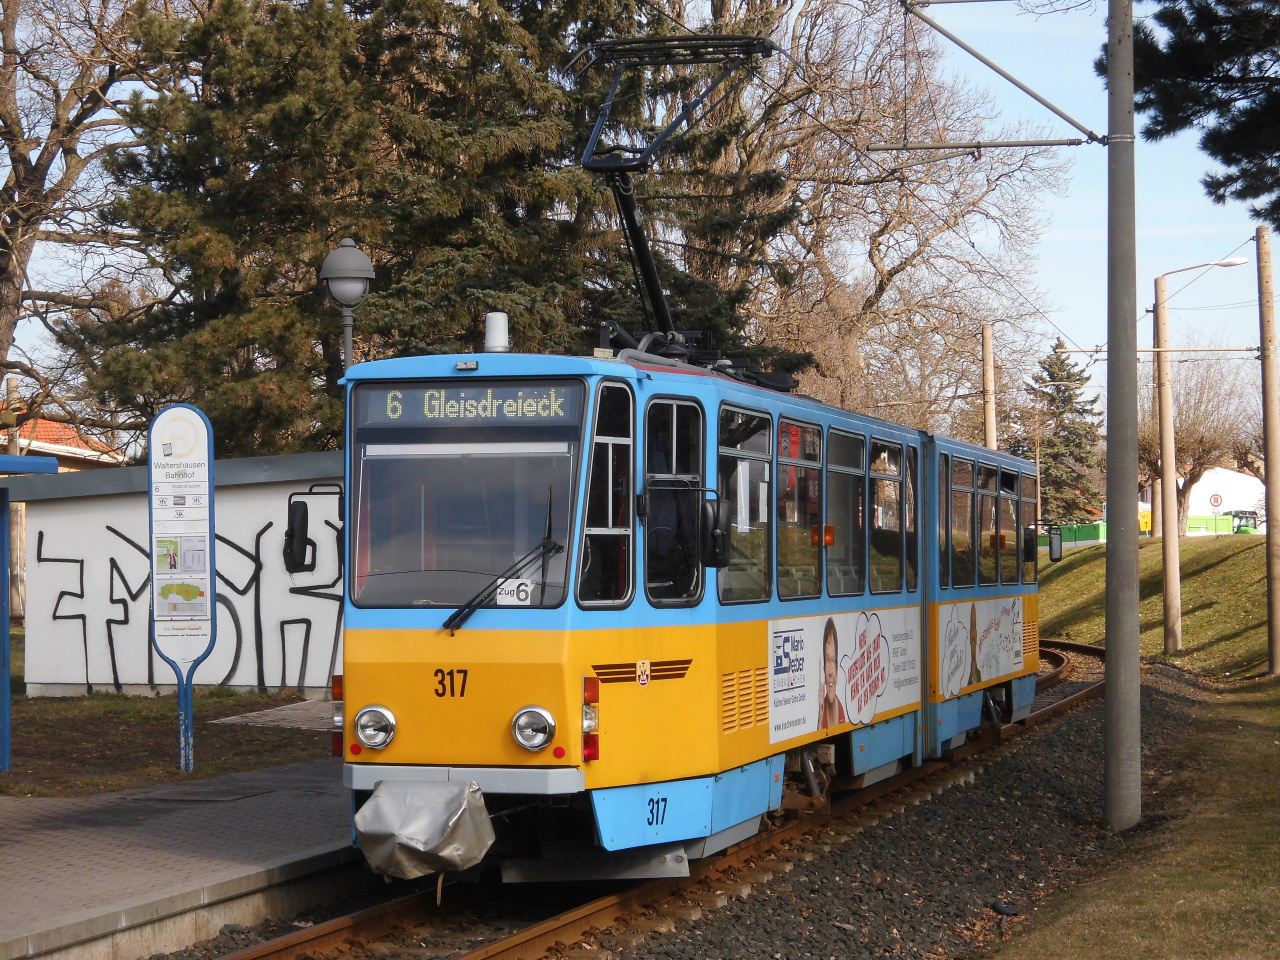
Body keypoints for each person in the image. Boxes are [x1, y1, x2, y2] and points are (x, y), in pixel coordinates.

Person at [818, 618, 845, 728]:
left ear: (837, 670)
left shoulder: (843, 711)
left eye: (833, 661)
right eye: (827, 661)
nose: (830, 672)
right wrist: (820, 718)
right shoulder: (821, 712)